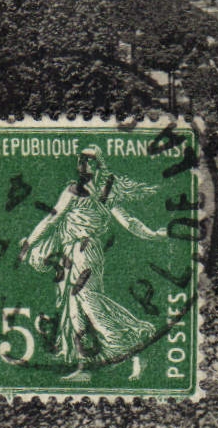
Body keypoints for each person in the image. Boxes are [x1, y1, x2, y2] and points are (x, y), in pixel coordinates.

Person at [18, 147, 167, 382]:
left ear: (99, 165)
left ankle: (135, 344)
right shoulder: (73, 190)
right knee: (75, 310)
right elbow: (51, 219)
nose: (82, 164)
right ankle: (84, 366)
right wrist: (30, 242)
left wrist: (152, 234)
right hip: (71, 253)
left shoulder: (104, 193)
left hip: (87, 252)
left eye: (88, 161)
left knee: (90, 303)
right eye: (80, 160)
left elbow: (128, 221)